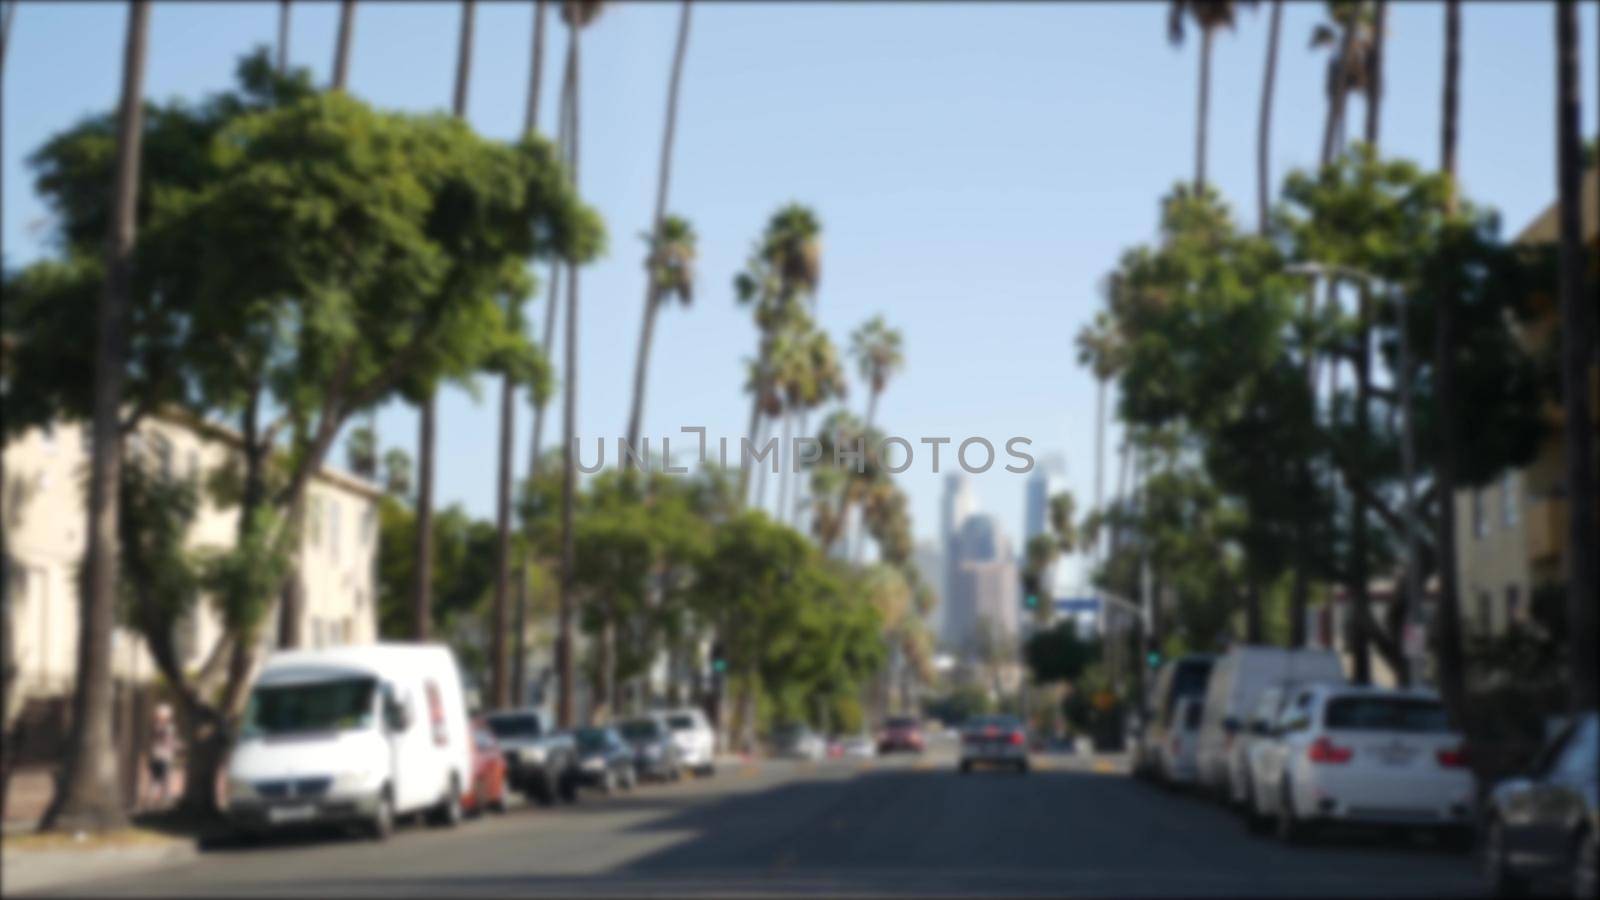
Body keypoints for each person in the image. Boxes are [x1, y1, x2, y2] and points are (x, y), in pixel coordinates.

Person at [144, 703, 178, 810]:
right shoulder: (168, 728)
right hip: (163, 757)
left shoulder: (155, 727)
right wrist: (175, 745)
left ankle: (152, 804)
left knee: (155, 781)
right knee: (164, 781)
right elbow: (169, 742)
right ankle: (162, 805)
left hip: (156, 755)